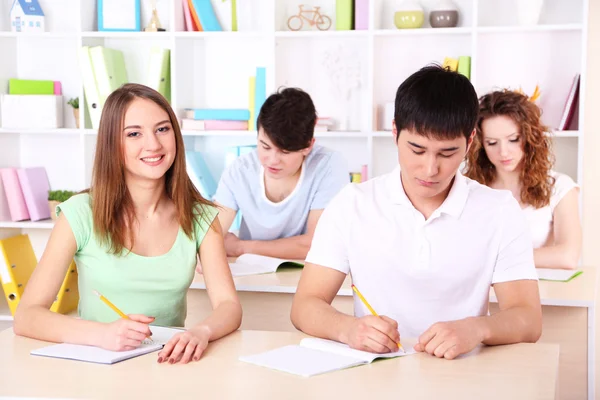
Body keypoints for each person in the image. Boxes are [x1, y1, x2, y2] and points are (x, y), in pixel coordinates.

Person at [290, 65, 542, 360]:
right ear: (395, 131)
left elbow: (528, 319)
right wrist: (348, 329)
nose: (430, 169)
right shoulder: (352, 204)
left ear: (470, 141)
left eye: (447, 153)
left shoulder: (498, 211)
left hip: (464, 375)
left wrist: (477, 329)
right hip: (378, 374)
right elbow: (305, 305)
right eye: (417, 149)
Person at [13, 83, 242, 365]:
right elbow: (26, 316)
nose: (154, 144)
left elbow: (229, 306)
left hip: (168, 366)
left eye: (162, 129)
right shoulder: (79, 214)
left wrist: (201, 332)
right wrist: (102, 335)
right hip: (96, 368)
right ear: (113, 144)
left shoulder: (200, 217)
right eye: (134, 134)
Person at [213, 87, 349, 260]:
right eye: (265, 146)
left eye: (285, 152)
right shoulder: (240, 170)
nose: (272, 160)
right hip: (250, 272)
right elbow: (212, 235)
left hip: (306, 272)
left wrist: (241, 247)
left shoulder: (328, 165)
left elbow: (317, 244)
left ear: (308, 145)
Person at [464, 89, 582, 270]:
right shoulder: (469, 187)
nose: (503, 152)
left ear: (529, 137)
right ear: (480, 145)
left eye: (513, 139)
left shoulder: (559, 187)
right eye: (492, 143)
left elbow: (567, 256)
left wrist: (493, 259)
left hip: (539, 293)